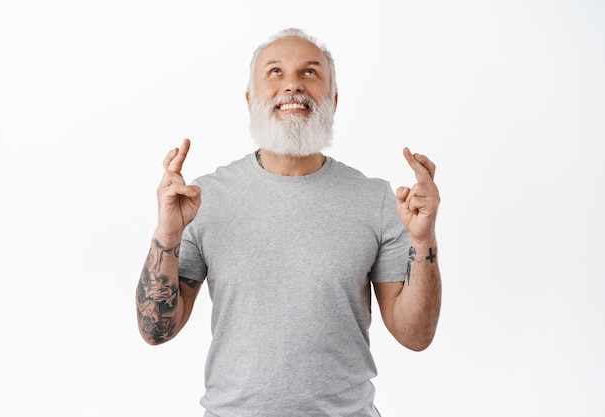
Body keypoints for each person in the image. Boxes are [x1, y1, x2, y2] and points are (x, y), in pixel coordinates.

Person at [136, 27, 442, 417]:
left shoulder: (377, 200)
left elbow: (415, 336)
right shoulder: (201, 199)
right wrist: (167, 234)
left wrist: (423, 240)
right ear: (250, 100)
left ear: (333, 99)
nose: (292, 86)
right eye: (275, 72)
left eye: (310, 73)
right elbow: (156, 331)